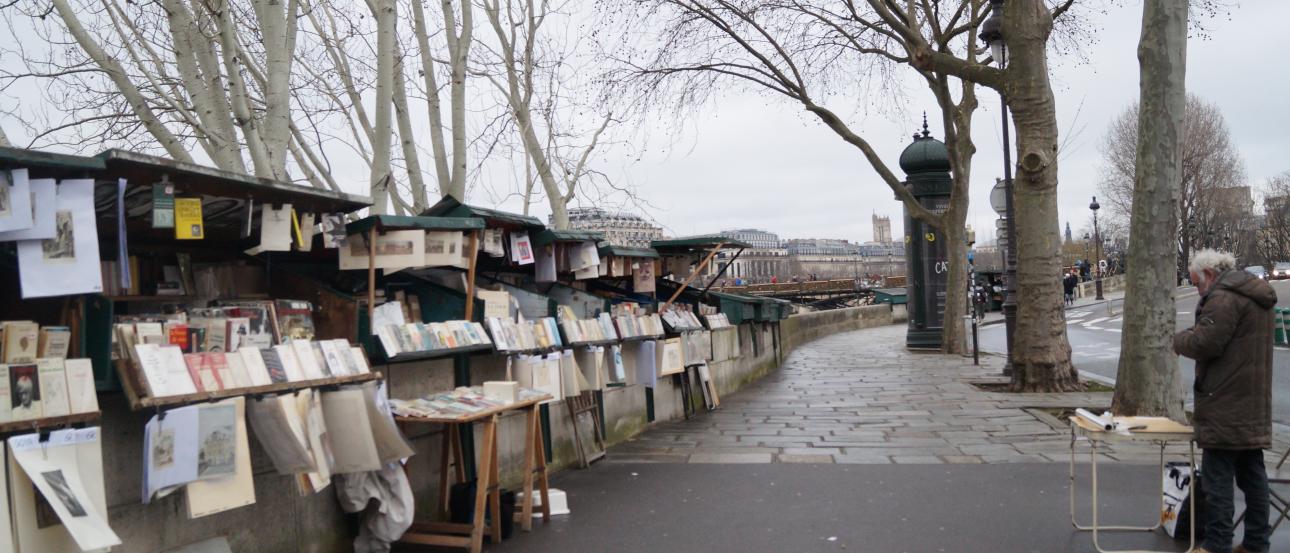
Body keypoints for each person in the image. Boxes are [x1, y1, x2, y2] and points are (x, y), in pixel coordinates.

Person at [1173, 249, 1277, 553]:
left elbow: (1205, 342)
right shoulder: (1254, 295)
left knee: (1217, 482)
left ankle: (1217, 545)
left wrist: (1176, 341)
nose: (1197, 290)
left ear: (1209, 274)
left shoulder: (1223, 298)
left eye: (1196, 283)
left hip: (1223, 403)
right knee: (1253, 478)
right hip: (1252, 404)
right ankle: (1256, 542)